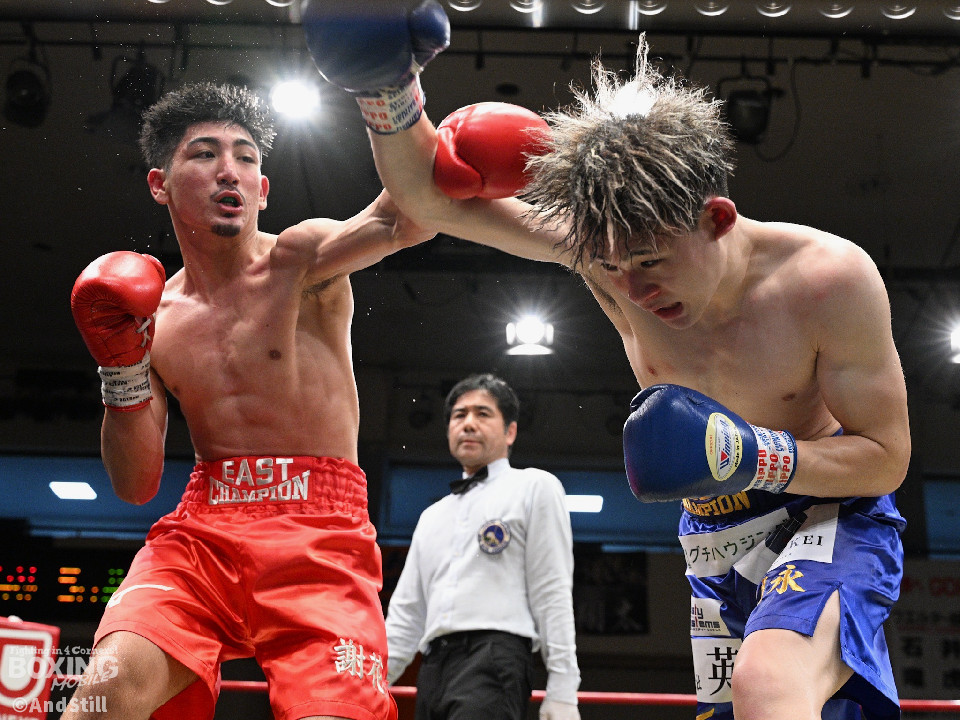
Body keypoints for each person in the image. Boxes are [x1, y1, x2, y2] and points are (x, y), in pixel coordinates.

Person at [302, 4, 911, 720]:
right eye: (612, 268)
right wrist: (387, 91)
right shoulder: (605, 253)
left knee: (768, 685)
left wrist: (752, 455)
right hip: (712, 535)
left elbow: (886, 459)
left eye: (651, 262)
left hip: (830, 512)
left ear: (716, 218)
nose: (633, 291)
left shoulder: (827, 280)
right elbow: (428, 201)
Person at [66, 82, 433, 720]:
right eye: (204, 153)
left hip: (321, 530)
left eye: (246, 157)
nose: (228, 169)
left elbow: (406, 219)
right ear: (159, 184)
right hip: (204, 530)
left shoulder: (302, 261)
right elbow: (135, 484)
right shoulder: (153, 317)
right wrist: (118, 365)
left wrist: (397, 102)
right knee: (103, 698)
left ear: (262, 190)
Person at [384, 373, 581, 720]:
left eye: (483, 413)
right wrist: (370, 682)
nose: (469, 424)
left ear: (510, 432)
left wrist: (564, 689)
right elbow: (406, 613)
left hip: (495, 658)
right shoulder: (431, 516)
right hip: (433, 667)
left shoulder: (534, 487)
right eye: (459, 415)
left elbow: (552, 590)